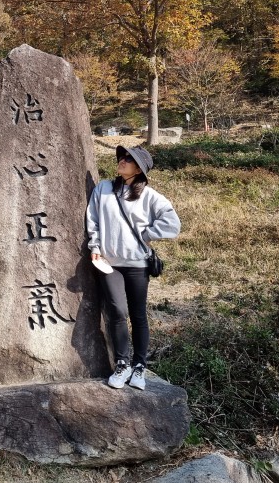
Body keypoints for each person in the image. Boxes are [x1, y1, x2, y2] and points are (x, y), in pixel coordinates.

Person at [86, 144, 180, 390]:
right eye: (123, 157)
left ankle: (139, 365)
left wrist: (146, 234)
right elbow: (93, 219)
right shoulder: (104, 188)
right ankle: (122, 362)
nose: (122, 161)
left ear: (139, 169)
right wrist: (95, 246)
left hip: (138, 263)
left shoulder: (149, 195)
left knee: (138, 315)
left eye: (129, 159)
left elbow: (172, 223)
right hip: (109, 263)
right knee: (117, 311)